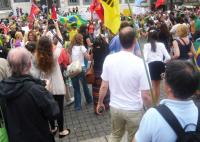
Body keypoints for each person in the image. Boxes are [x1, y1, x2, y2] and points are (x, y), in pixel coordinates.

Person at [97, 27, 151, 142]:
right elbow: (145, 95)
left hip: (115, 107)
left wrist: (100, 103)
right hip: (134, 109)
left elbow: (104, 86)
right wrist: (152, 109)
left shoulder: (109, 59)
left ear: (119, 41)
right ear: (135, 41)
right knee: (134, 137)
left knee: (115, 135)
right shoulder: (142, 64)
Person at [0, 48, 59, 142]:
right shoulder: (35, 90)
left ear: (10, 66)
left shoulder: (3, 88)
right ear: (29, 64)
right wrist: (47, 92)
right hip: (38, 137)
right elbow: (53, 112)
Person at [134, 60, 200, 142]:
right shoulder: (197, 109)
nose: (163, 78)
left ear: (169, 88)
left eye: (164, 76)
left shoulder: (153, 116)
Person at [34, 36, 70, 138]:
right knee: (59, 109)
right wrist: (57, 26)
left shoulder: (37, 58)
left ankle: (53, 128)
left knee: (49, 108)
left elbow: (40, 42)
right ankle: (62, 131)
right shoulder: (54, 55)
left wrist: (44, 32)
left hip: (46, 87)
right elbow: (61, 41)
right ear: (50, 45)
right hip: (57, 86)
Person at [144, 30, 171, 104]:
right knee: (158, 86)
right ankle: (158, 102)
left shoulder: (146, 45)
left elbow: (145, 58)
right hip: (160, 66)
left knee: (153, 86)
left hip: (151, 66)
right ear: (157, 36)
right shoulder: (161, 44)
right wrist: (163, 62)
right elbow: (168, 57)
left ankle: (153, 103)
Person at [70, 33, 93, 111]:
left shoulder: (71, 47)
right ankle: (89, 100)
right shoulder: (82, 47)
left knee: (76, 88)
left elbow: (69, 60)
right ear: (80, 40)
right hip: (81, 68)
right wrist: (90, 52)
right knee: (85, 86)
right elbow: (88, 58)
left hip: (73, 69)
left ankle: (77, 106)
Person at [92, 34, 110, 114]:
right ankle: (106, 105)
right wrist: (103, 37)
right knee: (105, 88)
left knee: (96, 89)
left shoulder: (93, 50)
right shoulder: (105, 48)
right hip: (105, 71)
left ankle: (97, 106)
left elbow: (90, 58)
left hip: (96, 72)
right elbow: (107, 44)